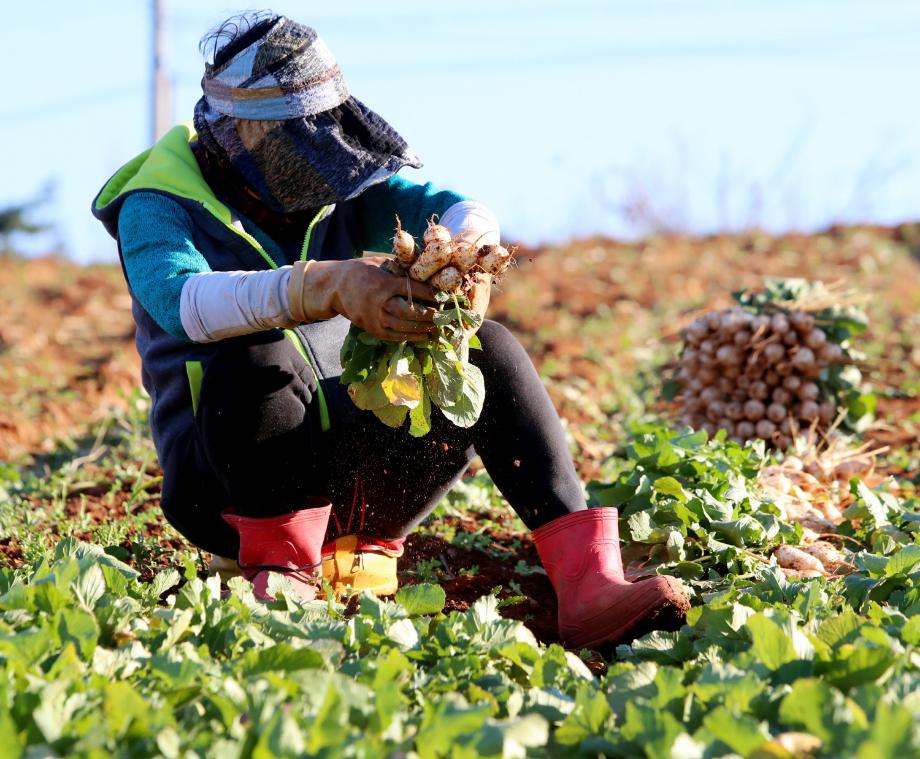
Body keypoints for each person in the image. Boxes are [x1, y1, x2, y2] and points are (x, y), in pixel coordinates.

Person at [92, 12, 688, 649]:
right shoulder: (157, 201)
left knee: (489, 349)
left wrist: (468, 256)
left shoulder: (339, 184)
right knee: (254, 352)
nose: (321, 166)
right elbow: (181, 300)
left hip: (368, 479)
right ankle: (279, 580)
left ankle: (589, 583)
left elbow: (460, 206)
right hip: (230, 484)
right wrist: (324, 286)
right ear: (246, 135)